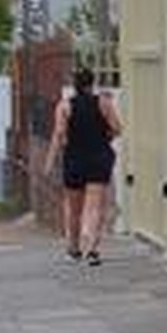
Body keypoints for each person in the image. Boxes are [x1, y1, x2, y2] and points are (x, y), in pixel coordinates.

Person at [51, 69, 119, 266]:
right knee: (95, 206)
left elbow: (59, 134)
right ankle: (92, 249)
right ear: (92, 84)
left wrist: (50, 162)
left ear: (75, 85)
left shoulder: (64, 106)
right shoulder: (104, 103)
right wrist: (104, 137)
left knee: (74, 209)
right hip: (99, 157)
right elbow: (117, 128)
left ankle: (73, 249)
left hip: (74, 159)